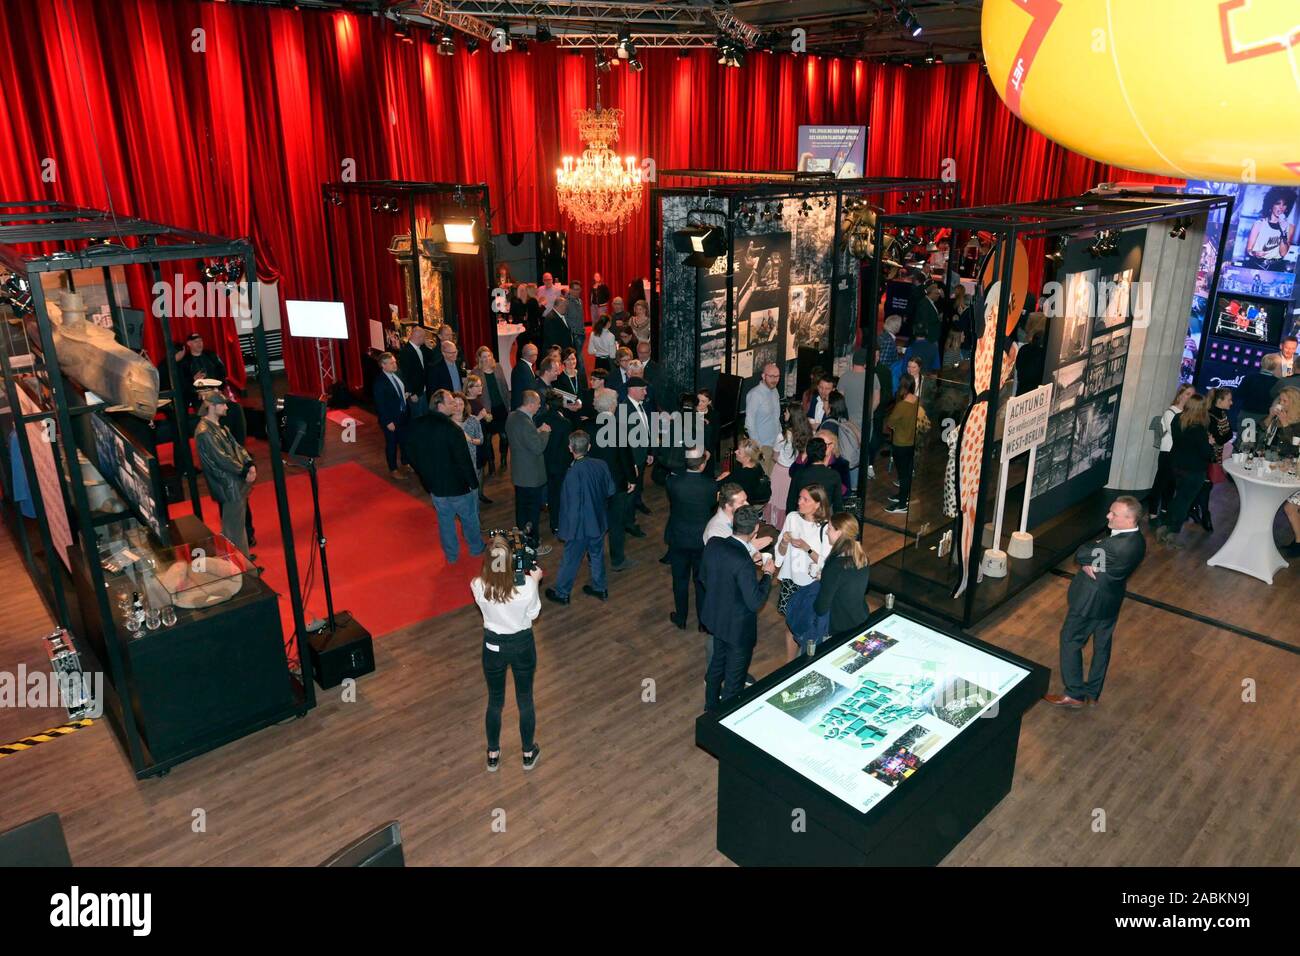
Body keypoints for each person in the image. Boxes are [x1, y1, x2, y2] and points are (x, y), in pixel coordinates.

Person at [1044, 496, 1147, 708]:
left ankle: (1074, 694)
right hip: (1111, 600)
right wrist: (1095, 552)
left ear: (1129, 520)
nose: (1108, 516)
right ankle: (1093, 691)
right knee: (1102, 645)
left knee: (1071, 640)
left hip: (1090, 602)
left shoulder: (1112, 546)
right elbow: (1094, 556)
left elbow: (1081, 553)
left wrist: (1093, 552)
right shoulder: (1138, 541)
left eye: (1114, 514)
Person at [472, 534, 542, 772]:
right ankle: (527, 752)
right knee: (525, 699)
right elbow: (533, 614)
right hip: (522, 644)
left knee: (495, 701)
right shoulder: (527, 587)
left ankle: (493, 754)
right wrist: (536, 581)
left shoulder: (477, 585)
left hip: (493, 647)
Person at [700, 505, 775, 711]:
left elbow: (705, 577)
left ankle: (710, 707)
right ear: (755, 531)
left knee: (716, 666)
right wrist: (767, 574)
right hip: (737, 629)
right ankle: (724, 719)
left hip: (716, 619)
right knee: (733, 681)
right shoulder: (743, 562)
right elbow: (755, 601)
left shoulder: (714, 543)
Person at [406, 389, 483, 564]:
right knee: (470, 518)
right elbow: (463, 461)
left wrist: (424, 475)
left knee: (445, 521)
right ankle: (476, 548)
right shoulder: (452, 429)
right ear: (440, 405)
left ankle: (451, 555)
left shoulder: (418, 424)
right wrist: (473, 484)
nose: (455, 405)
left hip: (435, 486)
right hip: (459, 487)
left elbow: (410, 453)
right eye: (450, 403)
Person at [544, 430, 615, 605]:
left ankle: (562, 593)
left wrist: (566, 532)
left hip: (580, 527)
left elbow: (570, 507)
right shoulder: (601, 464)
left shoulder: (572, 474)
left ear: (570, 448)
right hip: (598, 522)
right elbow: (610, 490)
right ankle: (600, 588)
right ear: (589, 446)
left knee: (570, 560)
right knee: (597, 555)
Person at [195, 391, 255, 558]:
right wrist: (243, 470)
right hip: (228, 484)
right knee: (233, 528)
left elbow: (237, 448)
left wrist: (249, 463)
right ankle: (241, 566)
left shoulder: (220, 427)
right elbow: (221, 459)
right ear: (212, 406)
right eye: (223, 404)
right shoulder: (205, 432)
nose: (227, 407)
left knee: (236, 525)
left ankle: (243, 561)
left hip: (233, 482)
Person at [775, 485, 832, 659]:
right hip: (791, 581)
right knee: (790, 625)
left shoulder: (826, 528)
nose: (799, 502)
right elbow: (780, 552)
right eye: (799, 497)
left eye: (805, 499)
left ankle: (808, 661)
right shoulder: (792, 518)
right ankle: (789, 663)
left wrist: (807, 548)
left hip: (812, 586)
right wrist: (784, 543)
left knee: (810, 628)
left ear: (817, 504)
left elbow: (828, 563)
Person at [587, 386, 639, 570]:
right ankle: (618, 560)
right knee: (616, 523)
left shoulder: (587, 427)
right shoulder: (619, 428)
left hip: (593, 484)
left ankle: (594, 558)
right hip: (616, 484)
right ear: (613, 406)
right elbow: (626, 458)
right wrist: (632, 480)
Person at [1156, 393, 1213, 549]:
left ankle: (1164, 527)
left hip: (1177, 466)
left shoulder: (1177, 419)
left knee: (1178, 498)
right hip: (1194, 470)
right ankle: (1172, 534)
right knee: (1184, 502)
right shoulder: (1198, 428)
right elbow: (1206, 454)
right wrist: (1210, 443)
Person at [505, 389, 553, 556]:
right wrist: (545, 432)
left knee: (521, 509)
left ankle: (521, 541)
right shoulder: (525, 423)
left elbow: (523, 438)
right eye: (538, 404)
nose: (539, 407)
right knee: (532, 513)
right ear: (531, 404)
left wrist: (536, 431)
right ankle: (533, 545)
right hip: (531, 475)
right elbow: (537, 447)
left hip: (519, 473)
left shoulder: (512, 416)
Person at [814, 512, 871, 636]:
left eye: (829, 528)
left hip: (840, 627)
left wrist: (824, 581)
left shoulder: (835, 566)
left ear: (839, 533)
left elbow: (821, 608)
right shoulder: (863, 558)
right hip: (861, 618)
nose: (826, 532)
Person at [1148, 384, 1194, 518]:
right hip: (1168, 451)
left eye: (1192, 394)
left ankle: (1165, 508)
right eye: (1188, 394)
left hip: (1180, 452)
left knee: (1172, 482)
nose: (1190, 397)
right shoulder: (1170, 412)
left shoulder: (1188, 414)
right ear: (1180, 395)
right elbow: (1175, 432)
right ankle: (1152, 510)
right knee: (1161, 481)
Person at [1194, 387, 1234, 532]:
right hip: (1206, 456)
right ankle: (1205, 515)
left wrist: (1221, 438)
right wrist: (1222, 438)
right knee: (1205, 485)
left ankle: (1195, 508)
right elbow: (1223, 437)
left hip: (1215, 455)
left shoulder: (1222, 413)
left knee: (1207, 485)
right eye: (1229, 399)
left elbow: (1226, 436)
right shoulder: (1209, 416)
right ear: (1219, 400)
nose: (1231, 402)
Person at [768, 405, 811, 528]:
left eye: (786, 413)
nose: (784, 415)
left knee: (778, 500)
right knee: (790, 499)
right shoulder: (807, 434)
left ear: (791, 417)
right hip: (797, 472)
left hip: (781, 471)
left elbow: (775, 456)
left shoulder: (783, 436)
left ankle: (778, 524)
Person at [538, 391, 575, 536]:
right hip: (561, 464)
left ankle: (552, 521)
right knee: (559, 494)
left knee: (548, 492)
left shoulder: (540, 419)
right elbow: (568, 446)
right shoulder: (566, 423)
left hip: (544, 462)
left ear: (547, 405)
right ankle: (558, 523)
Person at [373, 351, 413, 480]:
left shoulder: (398, 374)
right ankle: (393, 469)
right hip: (391, 419)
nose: (395, 364)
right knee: (391, 444)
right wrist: (387, 421)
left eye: (395, 362)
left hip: (403, 415)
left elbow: (402, 389)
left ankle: (405, 462)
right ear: (383, 365)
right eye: (391, 363)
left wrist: (405, 394)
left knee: (405, 441)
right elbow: (380, 404)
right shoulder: (379, 382)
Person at [884, 374, 920, 514]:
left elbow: (891, 422)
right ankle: (903, 496)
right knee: (907, 472)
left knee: (903, 474)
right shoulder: (917, 401)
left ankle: (902, 504)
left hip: (900, 443)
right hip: (912, 442)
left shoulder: (901, 405)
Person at [473, 346, 511, 473]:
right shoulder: (475, 372)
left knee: (504, 436)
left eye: (489, 355)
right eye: (484, 356)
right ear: (479, 358)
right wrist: (481, 410)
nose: (487, 359)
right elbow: (473, 393)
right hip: (486, 410)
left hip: (501, 408)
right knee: (488, 439)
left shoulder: (498, 367)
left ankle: (504, 458)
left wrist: (509, 404)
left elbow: (505, 387)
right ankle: (491, 462)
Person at [786, 435, 843, 516]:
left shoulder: (799, 474)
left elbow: (791, 502)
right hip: (824, 517)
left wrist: (791, 519)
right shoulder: (834, 475)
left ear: (808, 453)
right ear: (824, 453)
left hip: (803, 516)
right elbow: (838, 505)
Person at [1243, 186, 1296, 270]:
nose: (1281, 207)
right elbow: (1249, 249)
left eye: (1284, 204)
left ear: (1287, 207)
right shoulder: (1259, 224)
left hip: (1276, 267)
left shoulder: (1290, 227)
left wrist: (1283, 231)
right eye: (1278, 203)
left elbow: (1283, 253)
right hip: (1257, 265)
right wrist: (1255, 253)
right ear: (1271, 205)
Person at [623, 376, 655, 516]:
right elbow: (624, 441)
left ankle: (638, 502)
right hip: (633, 459)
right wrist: (632, 463)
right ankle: (630, 520)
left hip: (642, 456)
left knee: (639, 484)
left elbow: (645, 429)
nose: (645, 393)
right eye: (643, 390)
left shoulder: (640, 404)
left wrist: (649, 452)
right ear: (633, 390)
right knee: (631, 488)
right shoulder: (624, 409)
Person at [744, 362, 782, 476]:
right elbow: (749, 424)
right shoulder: (755, 395)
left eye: (777, 376)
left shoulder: (775, 391)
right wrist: (758, 448)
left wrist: (780, 439)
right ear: (763, 376)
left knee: (774, 476)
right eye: (771, 376)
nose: (775, 380)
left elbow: (776, 417)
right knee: (764, 477)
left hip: (775, 443)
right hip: (763, 445)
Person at [175, 332, 229, 409]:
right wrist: (193, 380)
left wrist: (219, 389)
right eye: (196, 342)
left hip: (215, 391)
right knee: (206, 408)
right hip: (198, 395)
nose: (199, 344)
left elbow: (222, 373)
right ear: (189, 343)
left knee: (227, 408)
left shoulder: (211, 356)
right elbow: (182, 383)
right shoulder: (185, 362)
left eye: (200, 341)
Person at [717, 438, 768, 510]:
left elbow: (720, 485)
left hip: (738, 506)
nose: (735, 452)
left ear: (748, 458)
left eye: (739, 452)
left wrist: (720, 478)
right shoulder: (757, 466)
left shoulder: (742, 474)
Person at [398, 324, 434, 404]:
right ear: (420, 337)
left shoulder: (421, 348)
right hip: (415, 393)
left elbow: (432, 358)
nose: (425, 339)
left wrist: (429, 347)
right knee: (418, 415)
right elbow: (404, 374)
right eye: (424, 337)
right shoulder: (406, 352)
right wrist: (411, 392)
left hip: (423, 389)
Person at [838, 348, 868, 430]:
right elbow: (877, 400)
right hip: (865, 420)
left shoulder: (844, 377)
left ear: (853, 362)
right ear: (865, 364)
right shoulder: (872, 377)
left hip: (848, 422)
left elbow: (839, 400)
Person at [510, 342, 539, 410]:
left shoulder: (522, 366)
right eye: (536, 355)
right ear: (531, 356)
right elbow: (531, 390)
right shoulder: (523, 369)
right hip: (522, 408)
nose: (536, 357)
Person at [564, 280, 586, 346]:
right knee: (578, 355)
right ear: (570, 290)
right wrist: (572, 332)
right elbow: (565, 318)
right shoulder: (566, 302)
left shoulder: (580, 300)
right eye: (575, 289)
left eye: (579, 289)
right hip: (574, 334)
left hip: (581, 332)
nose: (577, 291)